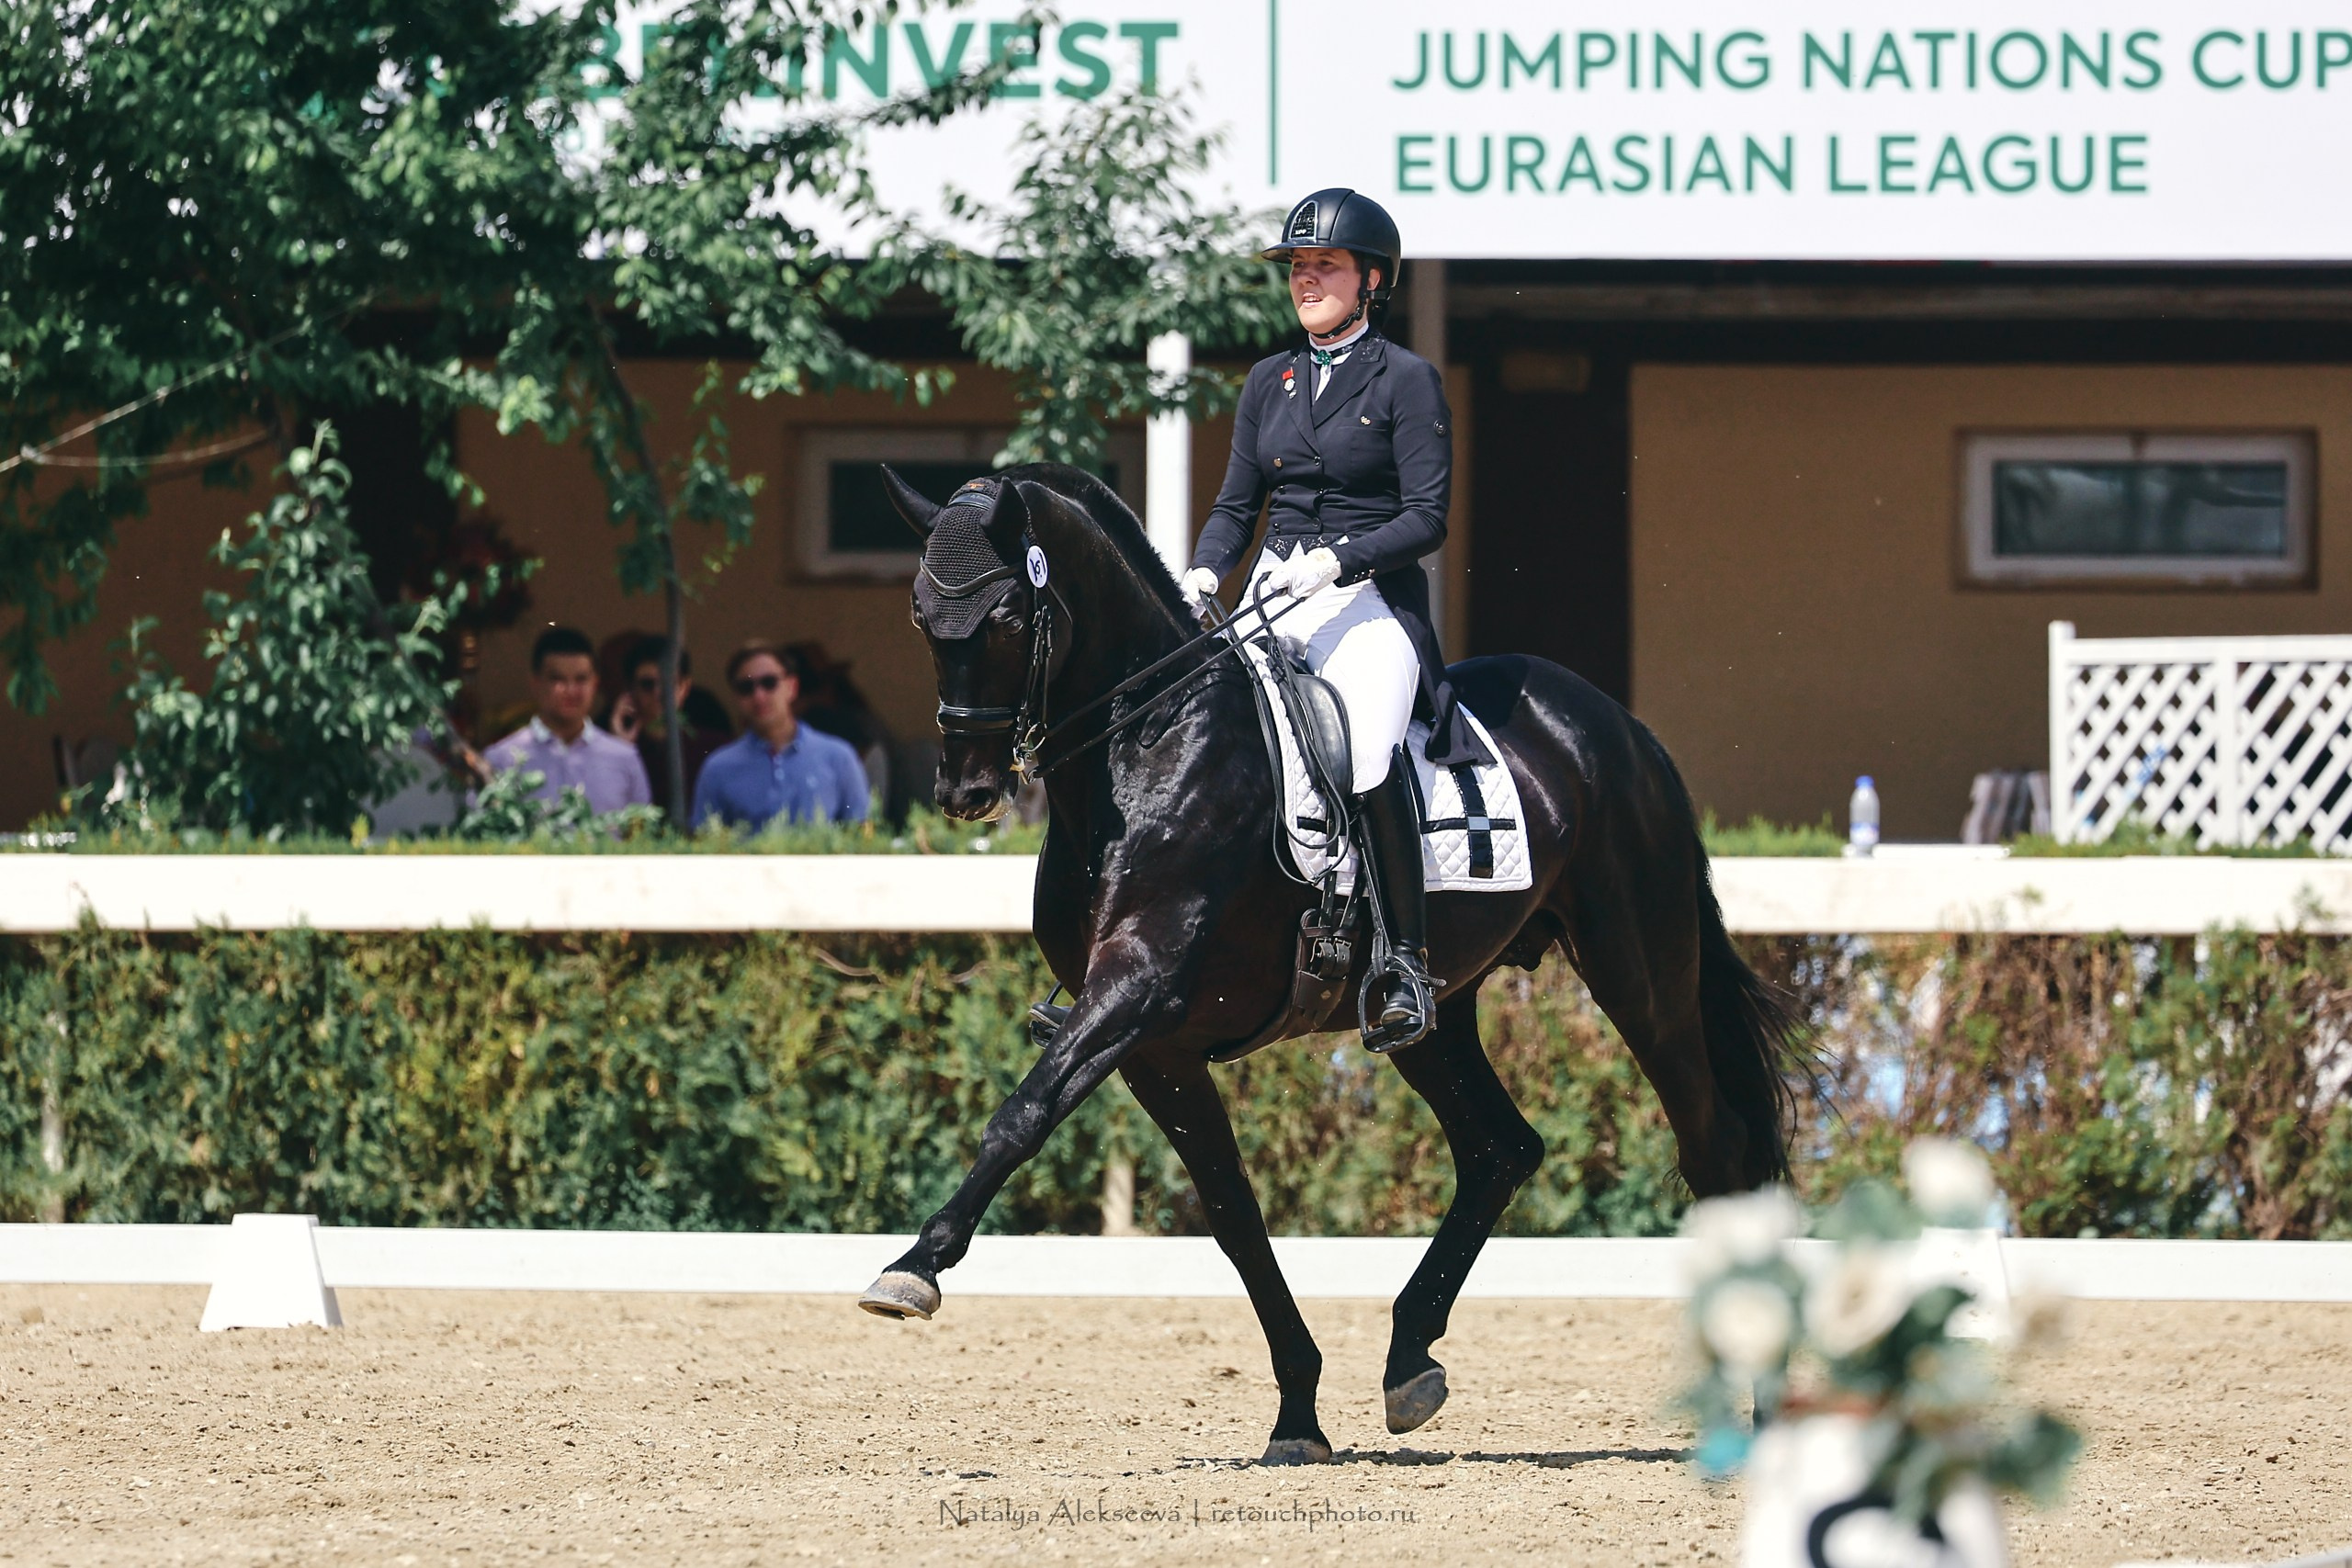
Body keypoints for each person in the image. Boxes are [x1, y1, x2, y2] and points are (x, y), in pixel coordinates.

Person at [1178, 186, 1486, 1055]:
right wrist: (1205, 569)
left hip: (1366, 600)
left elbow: (1429, 515)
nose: (1305, 280)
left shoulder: (1406, 379)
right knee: (1191, 733)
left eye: (1325, 266)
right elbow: (1239, 505)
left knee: (1367, 751)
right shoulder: (1267, 382)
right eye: (1298, 267)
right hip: (1273, 591)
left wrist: (1342, 558)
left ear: (1373, 279)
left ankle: (1406, 963)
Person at [691, 640, 870, 831]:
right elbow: (703, 842)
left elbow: (860, 831)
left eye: (769, 683)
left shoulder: (838, 757)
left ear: (792, 687)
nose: (759, 696)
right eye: (746, 687)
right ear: (736, 697)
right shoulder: (718, 767)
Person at [483, 626, 651, 814]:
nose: (571, 691)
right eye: (558, 679)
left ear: (595, 683)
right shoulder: (502, 759)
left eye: (581, 679)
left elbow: (641, 836)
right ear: (535, 683)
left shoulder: (624, 759)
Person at [609, 636, 732, 814]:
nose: (659, 693)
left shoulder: (715, 746)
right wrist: (620, 749)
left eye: (668, 683)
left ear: (685, 687)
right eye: (647, 684)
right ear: (630, 689)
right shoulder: (620, 746)